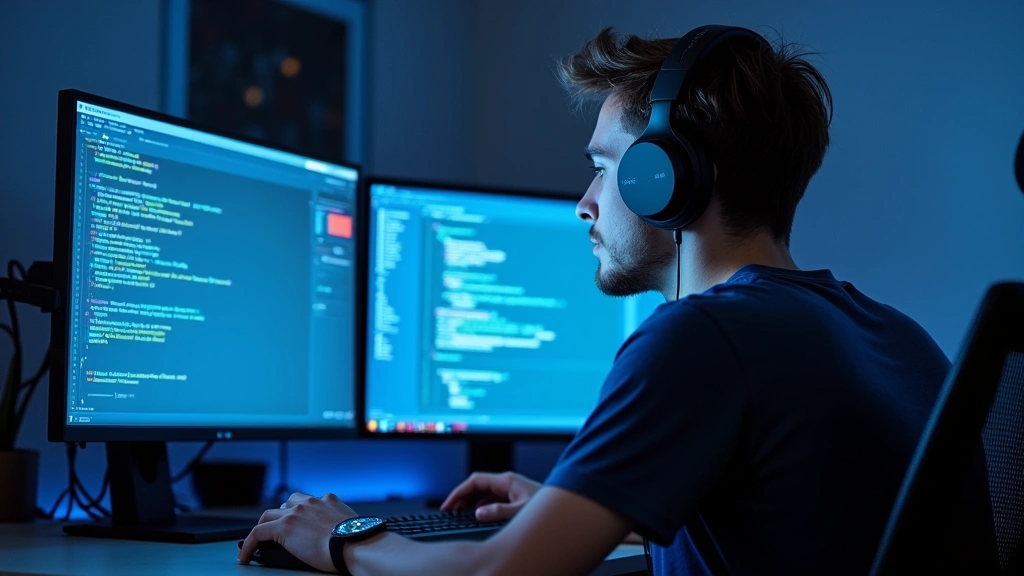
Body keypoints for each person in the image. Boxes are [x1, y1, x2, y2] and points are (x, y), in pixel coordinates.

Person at [238, 24, 950, 575]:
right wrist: (583, 508)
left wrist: (345, 536)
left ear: (666, 179)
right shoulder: (895, 335)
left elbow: (499, 573)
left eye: (605, 168)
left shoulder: (703, 335)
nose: (584, 204)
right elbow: (803, 527)